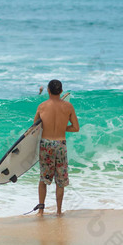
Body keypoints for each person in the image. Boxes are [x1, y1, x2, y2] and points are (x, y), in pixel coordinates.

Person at [33, 79, 79, 216]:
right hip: (60, 144)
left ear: (48, 90)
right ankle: (59, 211)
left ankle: (41, 211)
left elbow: (36, 126)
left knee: (44, 179)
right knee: (60, 180)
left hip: (46, 144)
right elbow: (76, 128)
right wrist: (62, 128)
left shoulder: (42, 106)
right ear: (61, 91)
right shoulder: (68, 107)